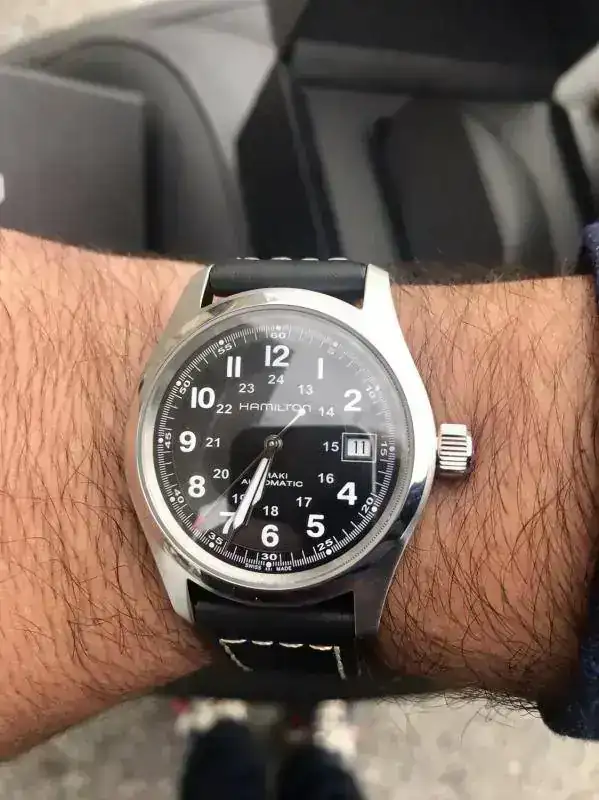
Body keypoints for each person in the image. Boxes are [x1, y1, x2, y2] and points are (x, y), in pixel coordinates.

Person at [1, 224, 599, 770]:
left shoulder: (388, 430)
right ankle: (309, 742)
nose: (271, 446)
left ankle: (226, 727)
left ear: (441, 449)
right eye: (266, 443)